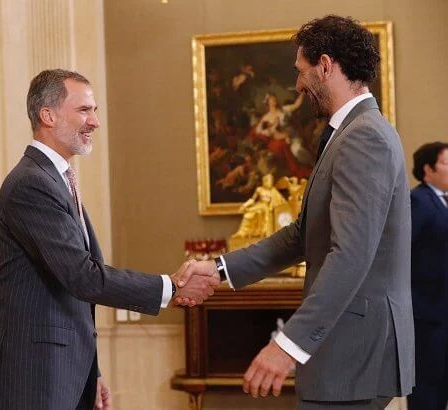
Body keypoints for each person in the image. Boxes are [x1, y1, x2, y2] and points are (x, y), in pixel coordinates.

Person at [175, 15, 414, 409]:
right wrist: (218, 270)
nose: (298, 84)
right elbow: (303, 235)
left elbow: (351, 255)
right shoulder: (348, 133)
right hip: (347, 352)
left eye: (301, 72)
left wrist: (287, 345)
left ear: (325, 65)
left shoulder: (364, 137)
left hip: (354, 353)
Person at [0, 69, 218, 410]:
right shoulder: (32, 183)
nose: (95, 122)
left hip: (61, 371)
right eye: (84, 110)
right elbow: (82, 276)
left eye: (95, 110)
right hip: (31, 374)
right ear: (48, 115)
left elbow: (69, 291)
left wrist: (93, 371)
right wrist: (171, 288)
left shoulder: (57, 179)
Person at [407, 142, 448, 410]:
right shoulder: (417, 201)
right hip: (429, 318)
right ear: (428, 169)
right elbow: (402, 252)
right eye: (447, 163)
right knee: (428, 394)